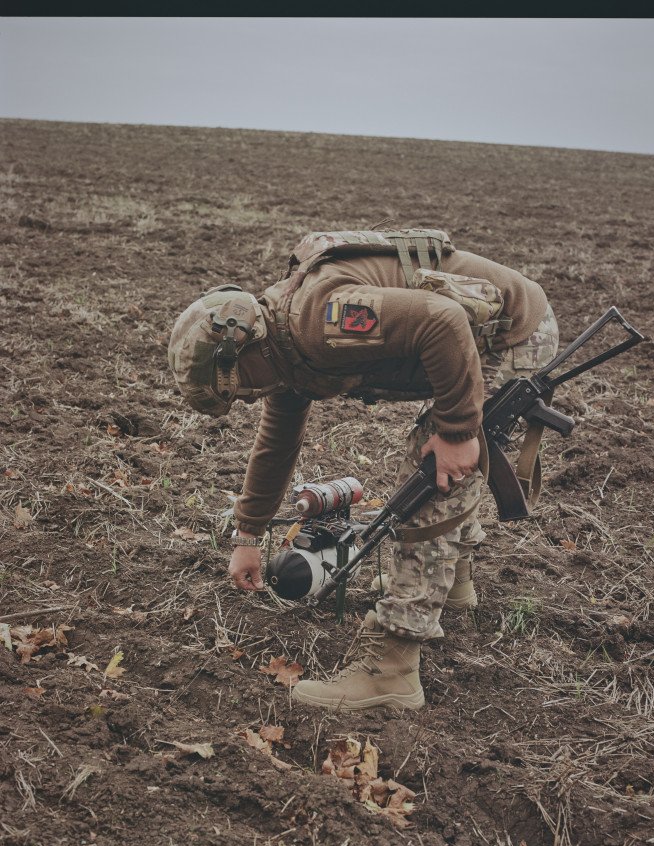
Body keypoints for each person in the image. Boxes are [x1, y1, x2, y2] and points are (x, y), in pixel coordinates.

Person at [167, 229, 559, 711]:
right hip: (477, 334)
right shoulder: (282, 346)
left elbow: (443, 320)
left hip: (515, 332)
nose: (249, 397)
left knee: (433, 474)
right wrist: (247, 536)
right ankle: (455, 584)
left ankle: (392, 667)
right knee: (438, 457)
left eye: (241, 387)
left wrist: (458, 432)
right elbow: (277, 443)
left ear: (245, 349)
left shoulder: (316, 320)